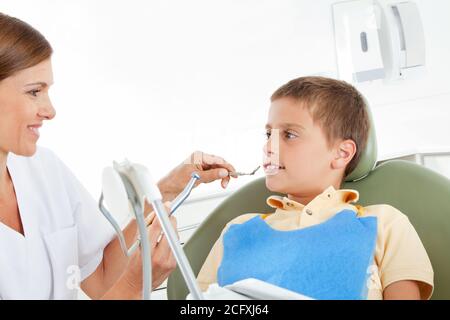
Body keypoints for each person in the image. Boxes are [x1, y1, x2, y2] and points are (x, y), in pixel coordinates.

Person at [0, 12, 236, 300]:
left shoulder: (43, 168)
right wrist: (132, 286)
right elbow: (118, 287)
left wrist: (167, 189)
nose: (50, 111)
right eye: (34, 92)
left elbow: (100, 275)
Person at [196, 76, 434, 300]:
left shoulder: (385, 223)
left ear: (342, 153)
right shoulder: (237, 230)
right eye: (269, 134)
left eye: (289, 134)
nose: (269, 146)